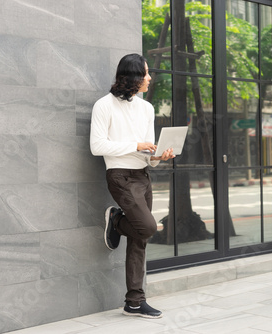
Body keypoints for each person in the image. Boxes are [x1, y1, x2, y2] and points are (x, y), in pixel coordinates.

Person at [90, 53, 174, 318]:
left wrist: (158, 156)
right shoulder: (104, 105)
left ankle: (134, 302)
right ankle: (116, 221)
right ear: (133, 76)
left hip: (142, 174)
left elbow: (146, 150)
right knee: (147, 227)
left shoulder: (146, 108)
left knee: (139, 240)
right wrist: (134, 145)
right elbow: (97, 146)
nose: (150, 78)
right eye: (146, 73)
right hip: (120, 176)